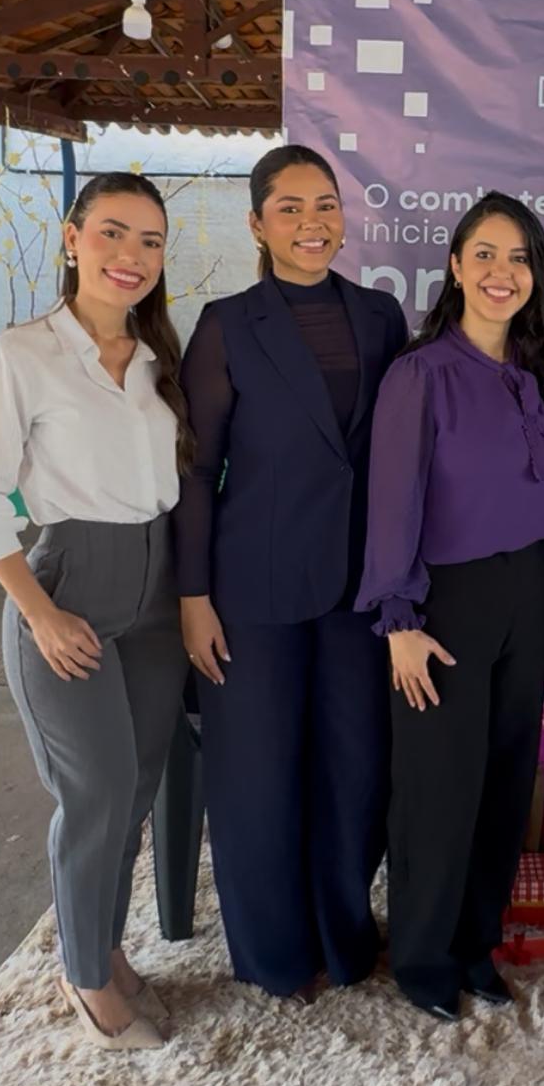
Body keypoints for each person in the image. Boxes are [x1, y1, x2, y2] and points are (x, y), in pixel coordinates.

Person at [0, 172, 190, 1050]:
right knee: (94, 795)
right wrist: (40, 612)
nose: (132, 257)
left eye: (151, 242)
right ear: (70, 238)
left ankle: (102, 945)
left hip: (159, 598)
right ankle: (86, 977)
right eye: (115, 234)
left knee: (134, 793)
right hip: (67, 589)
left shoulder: (165, 358)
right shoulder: (21, 355)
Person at [173, 144, 406, 999]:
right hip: (253, 590)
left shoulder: (381, 318)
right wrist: (192, 596)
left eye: (326, 206)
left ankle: (345, 938)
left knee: (354, 771)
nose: (313, 224)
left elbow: (397, 453)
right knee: (258, 776)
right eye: (291, 210)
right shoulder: (227, 325)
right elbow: (198, 469)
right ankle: (275, 955)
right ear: (257, 225)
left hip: (359, 589)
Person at [356, 191, 544, 1022]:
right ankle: (421, 958)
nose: (501, 272)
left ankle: (476, 944)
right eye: (484, 254)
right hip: (442, 601)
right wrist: (399, 621)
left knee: (501, 780)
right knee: (436, 789)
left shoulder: (536, 376)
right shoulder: (421, 376)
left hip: (530, 589)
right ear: (454, 267)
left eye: (518, 257)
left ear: (534, 275)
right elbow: (393, 506)